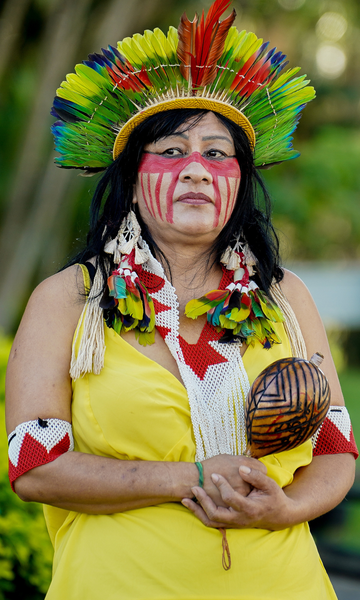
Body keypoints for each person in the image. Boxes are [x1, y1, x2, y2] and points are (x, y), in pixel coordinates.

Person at [5, 1, 358, 598]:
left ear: (241, 181)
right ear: (130, 177)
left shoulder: (284, 297)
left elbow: (336, 451)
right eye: (171, 152)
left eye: (218, 155)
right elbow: (36, 470)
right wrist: (191, 477)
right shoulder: (68, 300)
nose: (196, 170)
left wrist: (282, 508)